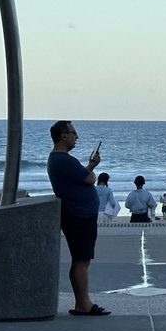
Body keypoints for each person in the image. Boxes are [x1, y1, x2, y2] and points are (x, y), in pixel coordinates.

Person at [46, 120, 109, 316]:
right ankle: (84, 304)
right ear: (63, 136)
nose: (76, 136)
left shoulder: (61, 160)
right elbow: (90, 179)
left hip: (79, 214)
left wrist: (90, 165)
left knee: (81, 259)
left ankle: (82, 302)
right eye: (73, 133)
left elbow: (82, 176)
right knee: (81, 259)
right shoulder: (63, 159)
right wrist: (90, 171)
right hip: (79, 216)